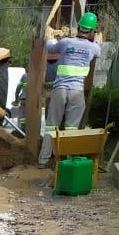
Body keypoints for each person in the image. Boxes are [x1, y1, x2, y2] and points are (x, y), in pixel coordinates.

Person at [38, 11, 100, 166]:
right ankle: (66, 161)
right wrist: (98, 40)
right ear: (92, 31)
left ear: (78, 27)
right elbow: (98, 48)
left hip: (60, 90)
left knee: (52, 125)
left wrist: (50, 35)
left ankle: (43, 159)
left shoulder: (66, 42)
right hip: (77, 92)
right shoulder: (93, 48)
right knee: (71, 128)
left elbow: (50, 47)